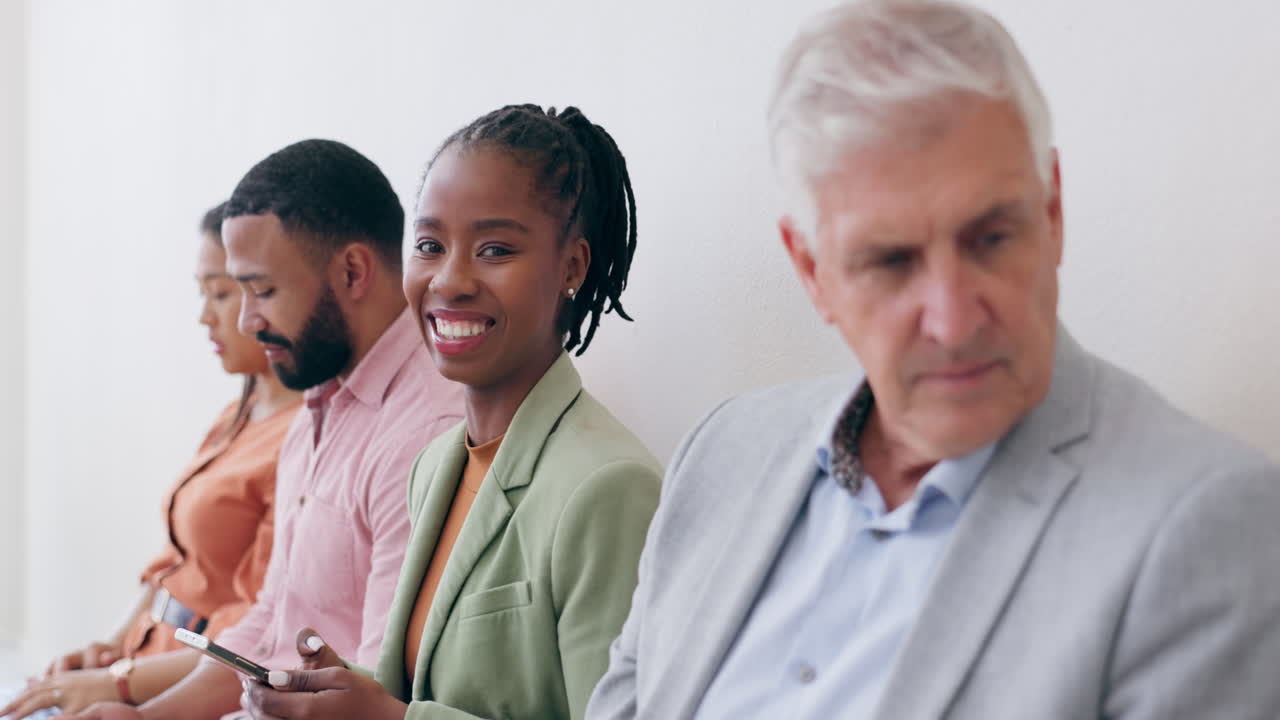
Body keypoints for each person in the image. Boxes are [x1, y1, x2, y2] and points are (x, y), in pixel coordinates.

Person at [587, 2, 1280, 719]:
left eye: (991, 238)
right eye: (890, 261)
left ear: (1052, 215)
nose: (952, 322)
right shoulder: (721, 454)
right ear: (812, 272)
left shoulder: (1210, 525)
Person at [240, 104, 661, 720]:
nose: (450, 280)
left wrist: (387, 719)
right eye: (430, 245)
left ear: (572, 266)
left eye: (495, 249)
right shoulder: (437, 465)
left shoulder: (609, 486)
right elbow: (431, 692)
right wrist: (341, 690)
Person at [66, 139, 464, 720]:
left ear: (352, 272)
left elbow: (380, 690)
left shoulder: (427, 432)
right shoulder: (318, 409)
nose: (248, 320)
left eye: (263, 290)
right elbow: (268, 626)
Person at [1, 203, 301, 719]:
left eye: (221, 293)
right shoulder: (238, 413)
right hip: (143, 662)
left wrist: (117, 684)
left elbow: (259, 627)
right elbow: (173, 564)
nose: (205, 316)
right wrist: (109, 648)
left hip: (185, 692)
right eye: (202, 293)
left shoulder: (302, 438)